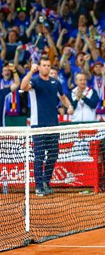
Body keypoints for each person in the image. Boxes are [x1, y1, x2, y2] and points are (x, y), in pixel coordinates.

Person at [20, 56, 74, 197]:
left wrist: (69, 106)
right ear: (39, 67)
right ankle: (38, 186)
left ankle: (46, 181)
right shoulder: (35, 81)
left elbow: (62, 97)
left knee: (53, 155)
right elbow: (22, 86)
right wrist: (31, 72)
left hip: (53, 125)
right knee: (39, 156)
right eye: (44, 65)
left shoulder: (55, 82)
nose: (46, 67)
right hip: (38, 125)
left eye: (48, 65)